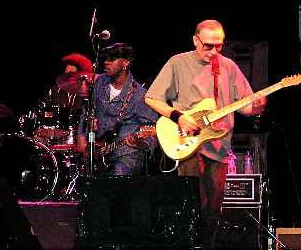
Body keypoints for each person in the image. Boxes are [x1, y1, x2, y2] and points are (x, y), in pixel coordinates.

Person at [144, 20, 266, 248]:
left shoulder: (228, 67)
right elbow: (152, 98)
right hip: (189, 142)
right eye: (208, 46)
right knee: (193, 202)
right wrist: (178, 116)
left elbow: (246, 108)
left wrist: (258, 106)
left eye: (219, 46)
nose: (214, 51)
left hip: (219, 145)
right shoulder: (178, 63)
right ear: (195, 41)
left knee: (213, 208)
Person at [75, 43, 160, 175]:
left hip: (127, 153)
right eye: (106, 59)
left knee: (116, 187)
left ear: (126, 62)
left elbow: (152, 127)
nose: (106, 62)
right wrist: (81, 136)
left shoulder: (140, 95)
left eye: (112, 59)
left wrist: (143, 144)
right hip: (100, 151)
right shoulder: (99, 82)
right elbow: (87, 110)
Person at [36, 53, 93, 142]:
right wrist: (41, 130)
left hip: (79, 134)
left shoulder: (86, 91)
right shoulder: (55, 89)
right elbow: (46, 110)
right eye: (66, 72)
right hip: (56, 132)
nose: (68, 75)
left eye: (71, 73)